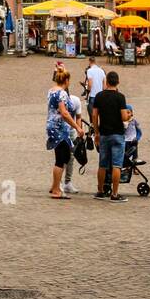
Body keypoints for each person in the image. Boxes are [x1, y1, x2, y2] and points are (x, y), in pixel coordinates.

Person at [91, 69, 131, 202]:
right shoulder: (120, 97)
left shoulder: (99, 96)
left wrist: (96, 132)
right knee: (116, 165)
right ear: (118, 82)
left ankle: (100, 191)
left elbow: (94, 116)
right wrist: (129, 116)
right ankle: (114, 193)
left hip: (104, 133)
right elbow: (124, 117)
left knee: (102, 164)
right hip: (118, 133)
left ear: (106, 81)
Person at [46, 68, 84, 198]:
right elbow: (64, 113)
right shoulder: (62, 93)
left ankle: (54, 186)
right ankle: (57, 190)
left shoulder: (51, 91)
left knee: (64, 155)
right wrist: (77, 127)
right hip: (59, 128)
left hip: (52, 126)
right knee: (61, 158)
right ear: (66, 80)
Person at [62, 89, 85, 194]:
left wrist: (79, 130)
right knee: (60, 157)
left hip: (71, 132)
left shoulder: (75, 100)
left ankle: (67, 182)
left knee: (71, 157)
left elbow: (78, 117)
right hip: (60, 131)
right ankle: (58, 183)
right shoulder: (56, 101)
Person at [83, 56, 106, 120]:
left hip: (93, 95)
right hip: (101, 95)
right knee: (100, 115)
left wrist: (87, 92)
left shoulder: (89, 71)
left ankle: (93, 128)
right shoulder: (101, 70)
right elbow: (104, 85)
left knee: (92, 116)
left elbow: (90, 84)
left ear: (89, 62)